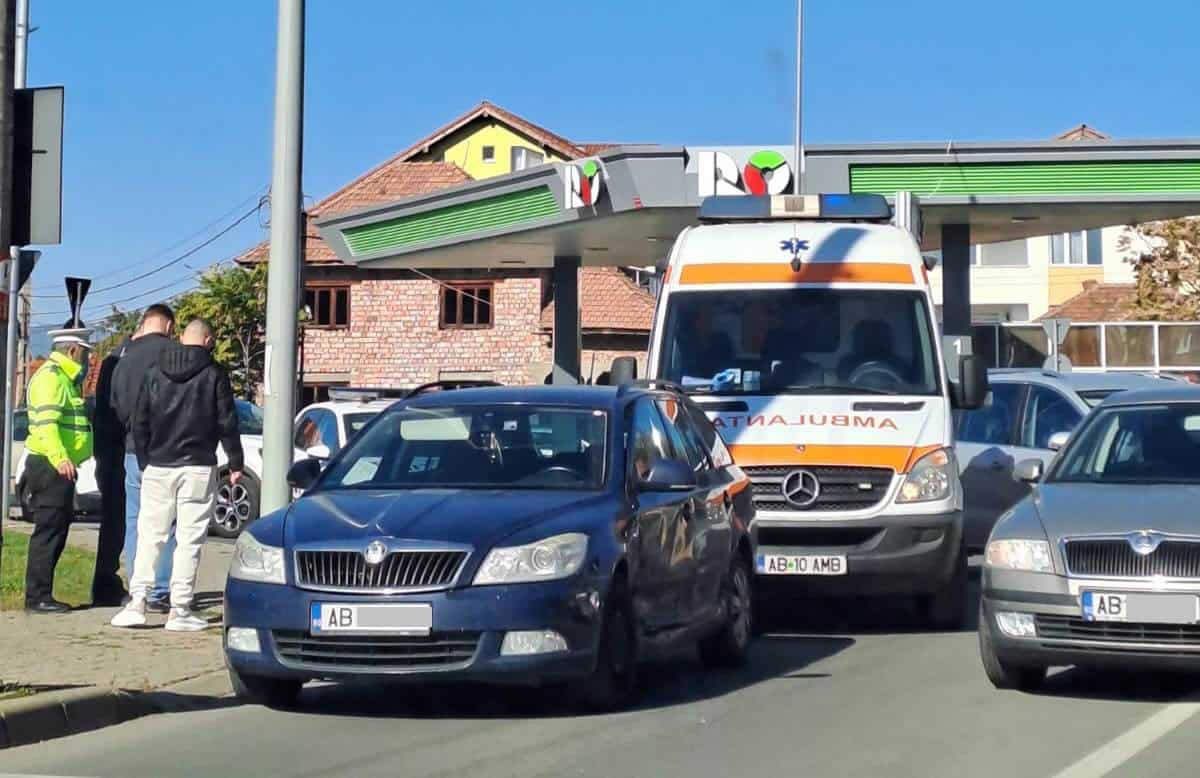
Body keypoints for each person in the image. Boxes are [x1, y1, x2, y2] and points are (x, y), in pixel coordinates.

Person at [112, 319, 243, 631]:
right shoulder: (214, 374)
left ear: (182, 337)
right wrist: (235, 463)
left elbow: (139, 420)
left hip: (158, 465)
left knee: (150, 535)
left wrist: (146, 458)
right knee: (189, 539)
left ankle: (137, 603)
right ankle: (179, 609)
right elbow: (227, 421)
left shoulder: (155, 372)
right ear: (208, 340)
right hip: (198, 465)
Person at [23, 327, 94, 613]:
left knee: (57, 531)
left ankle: (43, 593)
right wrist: (60, 457)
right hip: (51, 466)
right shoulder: (51, 379)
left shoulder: (65, 378)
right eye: (86, 353)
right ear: (74, 351)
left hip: (60, 466)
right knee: (48, 532)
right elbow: (46, 425)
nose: (88, 360)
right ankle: (37, 597)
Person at [110, 304, 175, 611]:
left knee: (136, 519)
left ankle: (139, 586)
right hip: (167, 451)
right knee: (166, 522)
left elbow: (116, 404)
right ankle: (161, 589)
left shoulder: (125, 358)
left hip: (133, 449)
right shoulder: (175, 355)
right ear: (169, 326)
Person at [90, 338, 129, 606]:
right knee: (116, 520)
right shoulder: (119, 365)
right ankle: (106, 584)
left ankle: (106, 583)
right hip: (116, 454)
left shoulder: (110, 364)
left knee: (114, 521)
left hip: (107, 453)